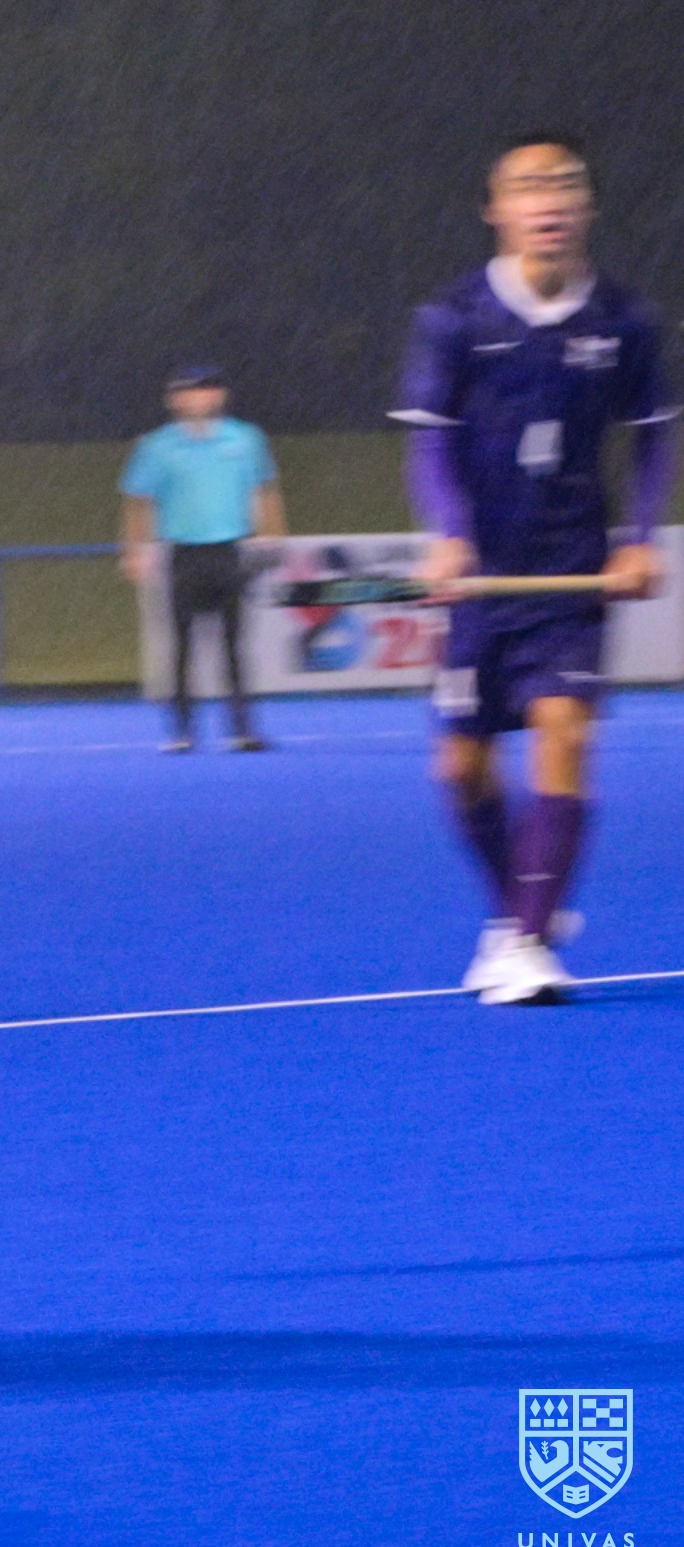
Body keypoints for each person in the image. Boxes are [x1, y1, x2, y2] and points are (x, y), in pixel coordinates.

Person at [394, 131, 673, 1006]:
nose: (548, 199)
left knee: (565, 729)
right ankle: (517, 915)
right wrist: (449, 534)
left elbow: (653, 437)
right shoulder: (453, 318)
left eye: (565, 184)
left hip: (572, 570)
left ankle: (527, 940)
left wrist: (639, 536)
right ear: (497, 209)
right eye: (528, 185)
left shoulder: (626, 321)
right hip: (482, 577)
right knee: (460, 770)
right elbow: (430, 445)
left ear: (586, 206)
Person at [121, 366, 289, 753]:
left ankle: (242, 729)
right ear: (174, 400)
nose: (196, 399)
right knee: (181, 647)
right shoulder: (157, 446)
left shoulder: (245, 439)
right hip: (183, 554)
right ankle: (182, 731)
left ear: (219, 396)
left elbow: (265, 490)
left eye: (204, 391)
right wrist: (134, 551)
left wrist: (274, 536)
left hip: (230, 552)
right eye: (186, 393)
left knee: (235, 645)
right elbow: (138, 502)